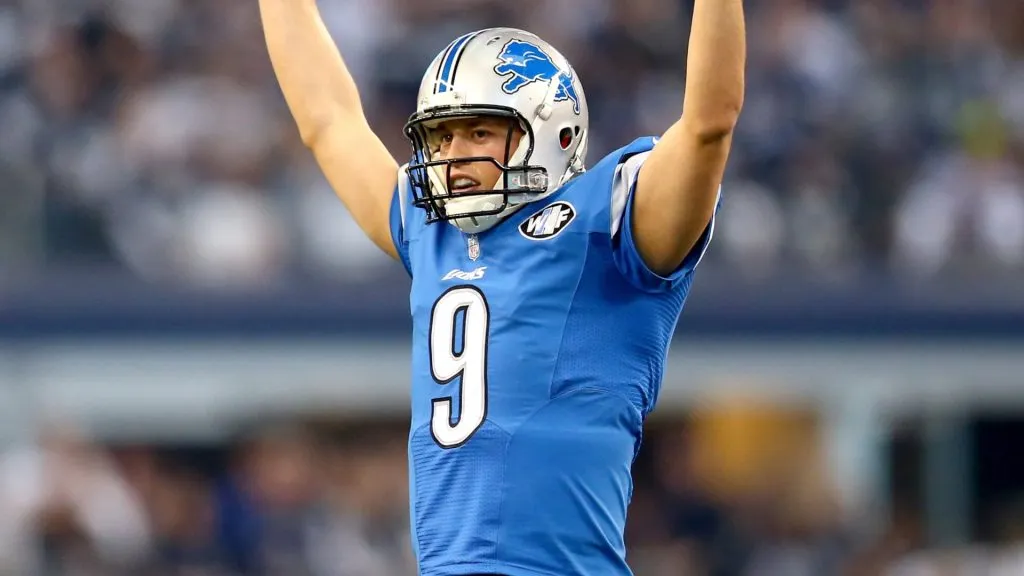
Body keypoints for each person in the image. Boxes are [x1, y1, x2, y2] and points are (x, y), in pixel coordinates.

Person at [258, 2, 745, 574]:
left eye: (478, 132)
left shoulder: (606, 219)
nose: (453, 156)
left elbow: (709, 124)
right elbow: (328, 121)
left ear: (552, 132)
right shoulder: (431, 231)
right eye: (440, 138)